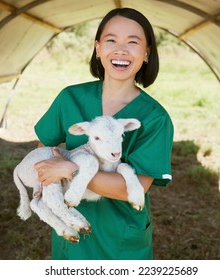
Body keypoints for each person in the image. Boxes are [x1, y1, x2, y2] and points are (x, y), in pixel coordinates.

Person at [34, 7, 174, 260]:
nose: (120, 50)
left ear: (146, 54)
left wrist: (68, 168)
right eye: (111, 40)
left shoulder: (155, 118)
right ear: (98, 49)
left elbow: (132, 189)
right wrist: (51, 176)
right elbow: (43, 148)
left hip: (119, 233)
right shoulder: (70, 98)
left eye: (133, 42)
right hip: (71, 219)